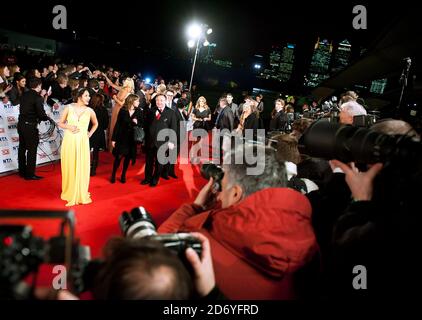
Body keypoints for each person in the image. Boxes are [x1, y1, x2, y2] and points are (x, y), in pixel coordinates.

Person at [159, 144, 318, 299]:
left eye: (222, 187)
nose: (219, 196)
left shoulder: (201, 241)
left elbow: (155, 252)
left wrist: (195, 208)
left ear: (236, 194)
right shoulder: (310, 243)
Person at [58, 88, 98, 206]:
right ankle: (69, 191)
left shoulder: (90, 110)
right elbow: (60, 123)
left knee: (81, 166)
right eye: (86, 95)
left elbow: (96, 124)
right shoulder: (68, 108)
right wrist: (69, 127)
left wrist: (90, 133)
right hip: (69, 141)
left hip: (83, 142)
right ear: (80, 96)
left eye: (89, 96)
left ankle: (80, 191)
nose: (89, 98)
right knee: (70, 165)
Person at [141, 94, 177, 187]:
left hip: (163, 142)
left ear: (165, 101)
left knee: (159, 163)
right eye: (157, 100)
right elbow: (146, 126)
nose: (159, 102)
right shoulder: (151, 111)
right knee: (148, 162)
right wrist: (144, 138)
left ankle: (155, 179)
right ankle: (147, 178)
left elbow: (173, 128)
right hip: (150, 141)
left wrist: (171, 142)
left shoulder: (171, 112)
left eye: (161, 100)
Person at [17, 78, 50, 180]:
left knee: (22, 148)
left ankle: (22, 171)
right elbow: (41, 114)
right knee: (31, 150)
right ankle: (30, 174)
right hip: (30, 126)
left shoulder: (24, 94)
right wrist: (46, 117)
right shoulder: (38, 97)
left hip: (21, 124)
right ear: (39, 86)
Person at [110, 94, 143, 183]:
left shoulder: (139, 111)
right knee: (118, 157)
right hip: (122, 137)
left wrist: (137, 122)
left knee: (128, 157)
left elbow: (141, 124)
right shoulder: (123, 110)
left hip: (132, 139)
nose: (138, 102)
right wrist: (114, 139)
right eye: (137, 101)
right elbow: (118, 125)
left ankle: (123, 174)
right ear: (131, 101)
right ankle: (113, 173)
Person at [89, 93, 110, 176]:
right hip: (99, 133)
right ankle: (93, 169)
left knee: (86, 151)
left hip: (89, 132)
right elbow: (106, 124)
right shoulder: (104, 110)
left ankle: (85, 168)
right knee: (96, 152)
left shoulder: (88, 109)